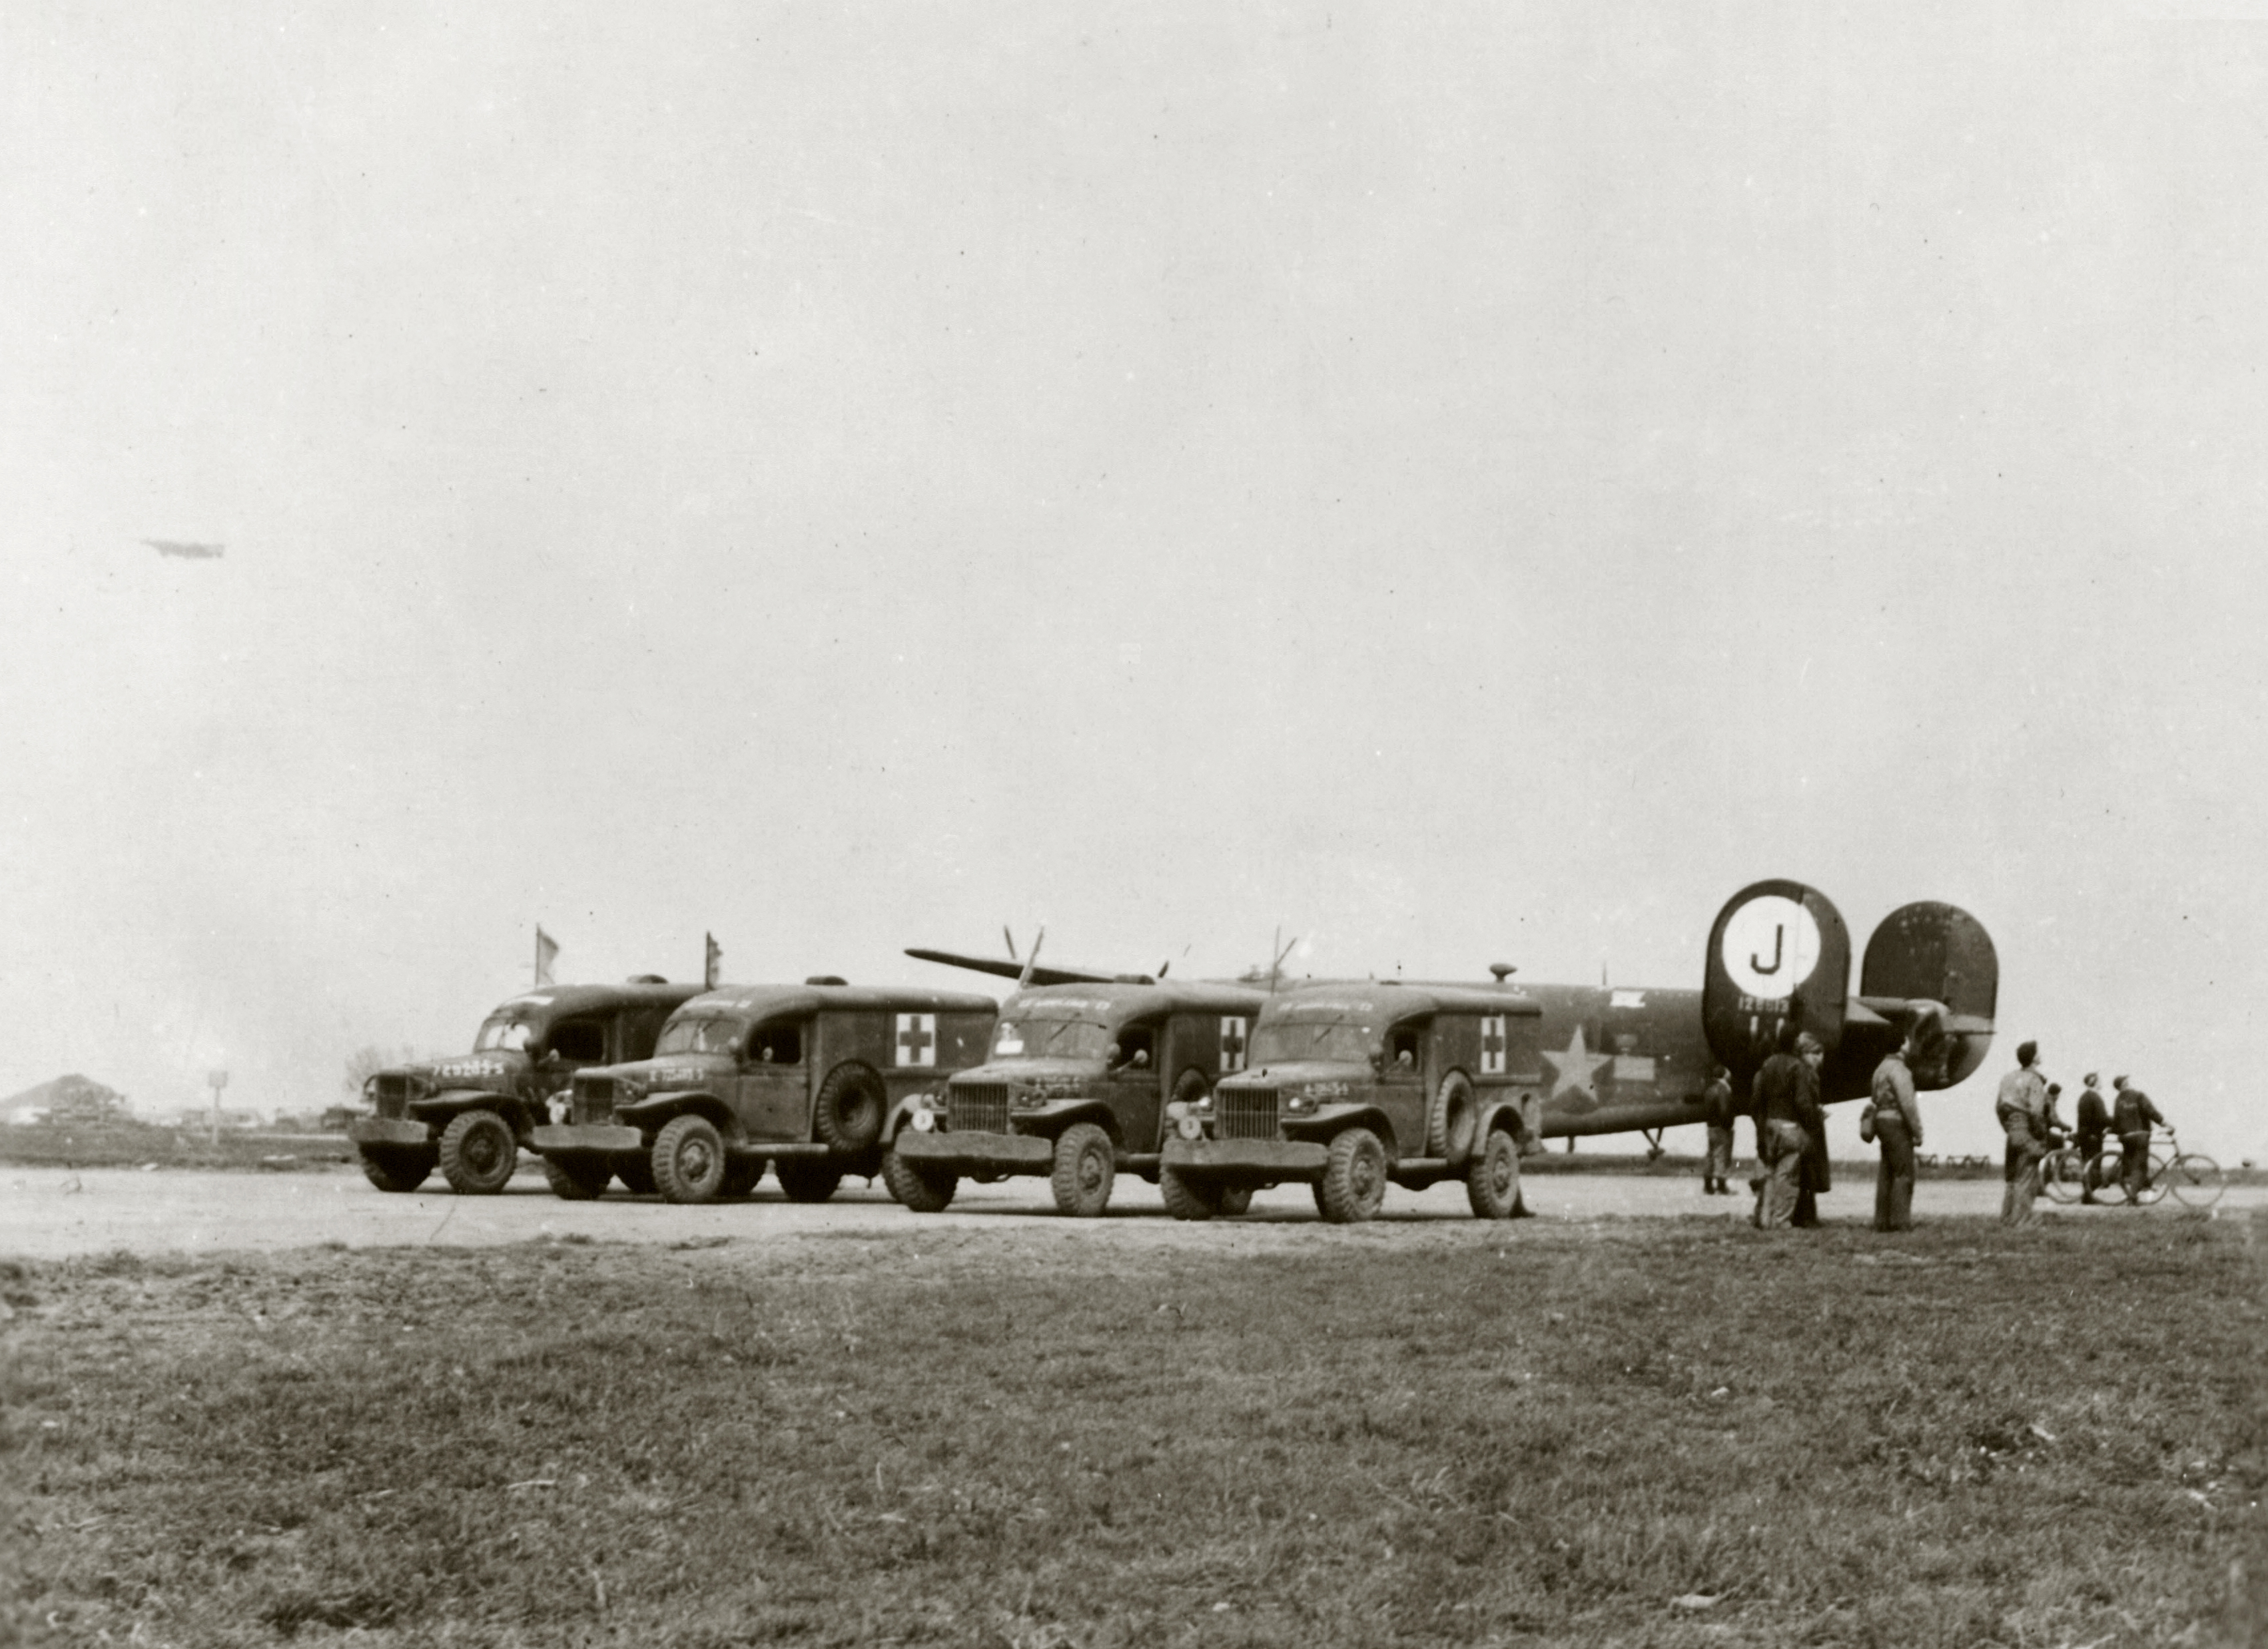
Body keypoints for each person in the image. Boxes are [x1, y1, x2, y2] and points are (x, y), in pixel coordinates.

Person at [1751, 1029, 1824, 1229]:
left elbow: (1757, 1101)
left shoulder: (1767, 1065)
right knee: (1788, 1176)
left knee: (1769, 1174)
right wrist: (1813, 1122)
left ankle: (1764, 1218)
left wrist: (1761, 1127)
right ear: (1793, 1044)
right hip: (1790, 1126)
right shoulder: (1797, 1067)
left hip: (1769, 1125)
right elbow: (1802, 1102)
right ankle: (1781, 1221)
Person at [1862, 1040, 1923, 1231]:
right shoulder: (1900, 1069)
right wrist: (1917, 1131)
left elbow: (1873, 1097)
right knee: (1904, 1172)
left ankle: (1882, 1222)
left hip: (1881, 1122)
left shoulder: (1880, 1069)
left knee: (1887, 1173)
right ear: (1903, 1045)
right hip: (1896, 1123)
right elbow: (1908, 1104)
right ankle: (1900, 1222)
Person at [1996, 1040, 2052, 1226]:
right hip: (2027, 1129)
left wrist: (2010, 1128)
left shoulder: (2007, 1078)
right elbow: (2036, 1111)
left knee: (2012, 1178)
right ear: (2034, 1058)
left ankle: (2007, 1218)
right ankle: (2022, 1220)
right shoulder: (2034, 1080)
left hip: (2013, 1130)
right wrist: (2039, 1134)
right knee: (2027, 1177)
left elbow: (1999, 1108)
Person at [2110, 1074, 2167, 1203]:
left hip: (2125, 1137)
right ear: (2125, 1084)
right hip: (2140, 1135)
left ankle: (2142, 1186)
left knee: (2132, 1164)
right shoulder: (2139, 1095)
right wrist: (2164, 1123)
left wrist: (2114, 1131)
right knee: (2139, 1167)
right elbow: (2151, 1111)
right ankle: (2133, 1197)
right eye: (2127, 1081)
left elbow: (2116, 1121)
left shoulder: (2118, 1099)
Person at [1700, 1065, 1736, 1195]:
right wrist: (1727, 1124)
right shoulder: (1723, 1089)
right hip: (1722, 1128)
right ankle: (1722, 1186)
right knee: (1722, 1156)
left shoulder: (1710, 1089)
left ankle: (1708, 1186)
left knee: (1710, 1155)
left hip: (1711, 1127)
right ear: (1724, 1074)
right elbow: (1724, 1110)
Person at [2075, 1072, 2109, 1203]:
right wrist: (2116, 1123)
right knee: (2095, 1166)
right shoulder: (2095, 1097)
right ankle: (2089, 1196)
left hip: (2084, 1135)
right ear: (2093, 1082)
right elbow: (2102, 1118)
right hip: (2094, 1136)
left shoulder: (2083, 1097)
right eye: (2099, 1081)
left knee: (2087, 1165)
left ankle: (2087, 1195)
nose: (2101, 1083)